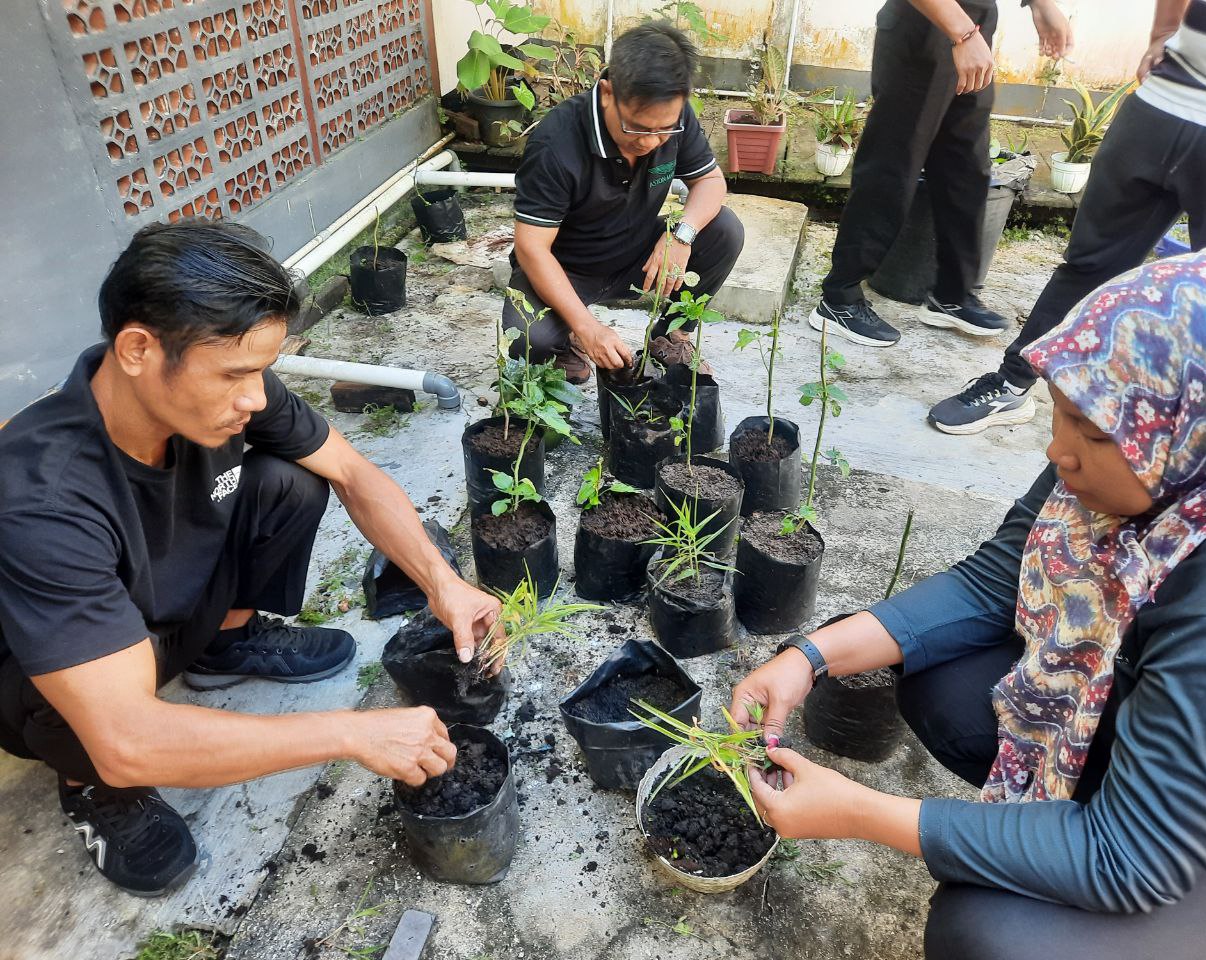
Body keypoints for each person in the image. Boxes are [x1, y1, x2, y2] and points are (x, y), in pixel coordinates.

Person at [733, 248, 1206, 957]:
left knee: (993, 932)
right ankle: (1067, 811)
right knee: (947, 681)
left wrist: (858, 812)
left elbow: (1130, 860)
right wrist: (808, 658)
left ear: (1205, 432)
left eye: (1095, 435)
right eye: (1061, 412)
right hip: (1169, 740)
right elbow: (994, 579)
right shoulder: (1144, 459)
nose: (1060, 451)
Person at [0, 221, 502, 897]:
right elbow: (125, 733)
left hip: (171, 607)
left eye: (263, 370)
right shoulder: (42, 496)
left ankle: (224, 642)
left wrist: (443, 583)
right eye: (237, 374)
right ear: (139, 350)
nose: (257, 397)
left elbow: (355, 474)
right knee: (95, 716)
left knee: (290, 480)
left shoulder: (224, 391)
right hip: (69, 684)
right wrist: (351, 733)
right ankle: (91, 788)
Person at [928, 0, 1206, 434]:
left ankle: (1190, 441)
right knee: (1087, 265)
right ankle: (1012, 383)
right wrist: (1163, 31)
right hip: (1164, 103)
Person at [809, 0, 1072, 349]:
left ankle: (952, 295)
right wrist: (962, 35)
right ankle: (838, 298)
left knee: (965, 166)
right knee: (893, 165)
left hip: (973, 26)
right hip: (926, 27)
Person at [504, 20, 744, 384]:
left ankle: (671, 335)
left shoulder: (672, 119)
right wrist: (588, 328)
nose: (651, 141)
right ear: (607, 94)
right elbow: (532, 248)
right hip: (566, 267)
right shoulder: (556, 144)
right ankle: (569, 342)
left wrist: (681, 236)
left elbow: (710, 181)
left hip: (637, 256)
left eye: (664, 129)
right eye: (638, 128)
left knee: (725, 230)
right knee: (527, 336)